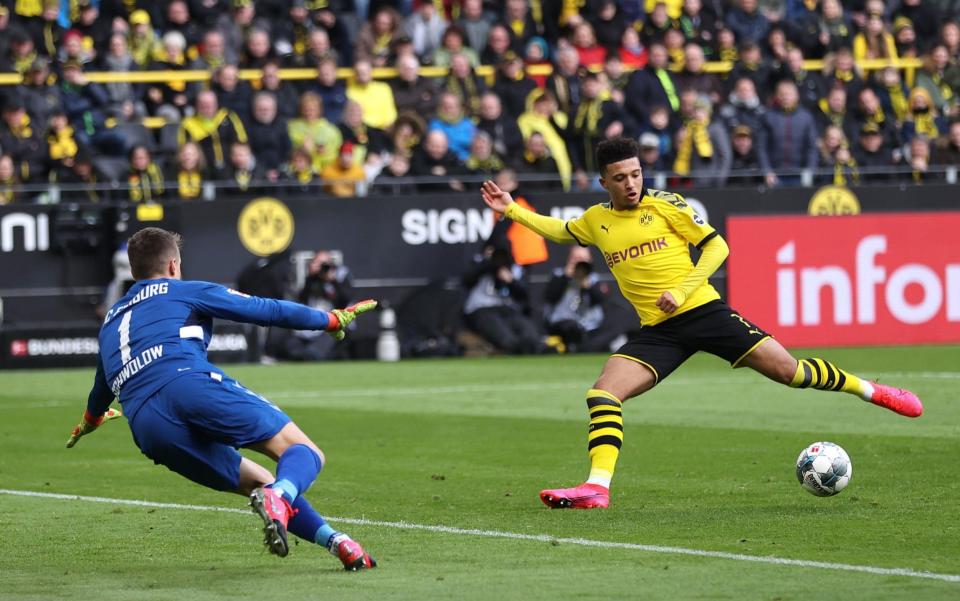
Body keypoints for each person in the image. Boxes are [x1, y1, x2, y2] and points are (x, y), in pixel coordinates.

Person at [479, 137, 924, 510]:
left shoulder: (666, 205)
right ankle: (597, 487)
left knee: (792, 373)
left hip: (704, 312)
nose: (631, 183)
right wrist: (511, 209)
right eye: (620, 177)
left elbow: (717, 248)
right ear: (604, 182)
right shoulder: (598, 221)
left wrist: (683, 289)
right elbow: (560, 230)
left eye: (636, 174)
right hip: (660, 331)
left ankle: (872, 390)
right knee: (602, 393)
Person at [65, 227, 378, 569]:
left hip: (146, 424)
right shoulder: (184, 290)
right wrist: (329, 319)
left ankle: (340, 543)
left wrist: (91, 420)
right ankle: (282, 497)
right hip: (186, 383)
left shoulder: (110, 321)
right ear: (173, 265)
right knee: (302, 452)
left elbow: (101, 386)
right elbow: (265, 309)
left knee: (259, 485)